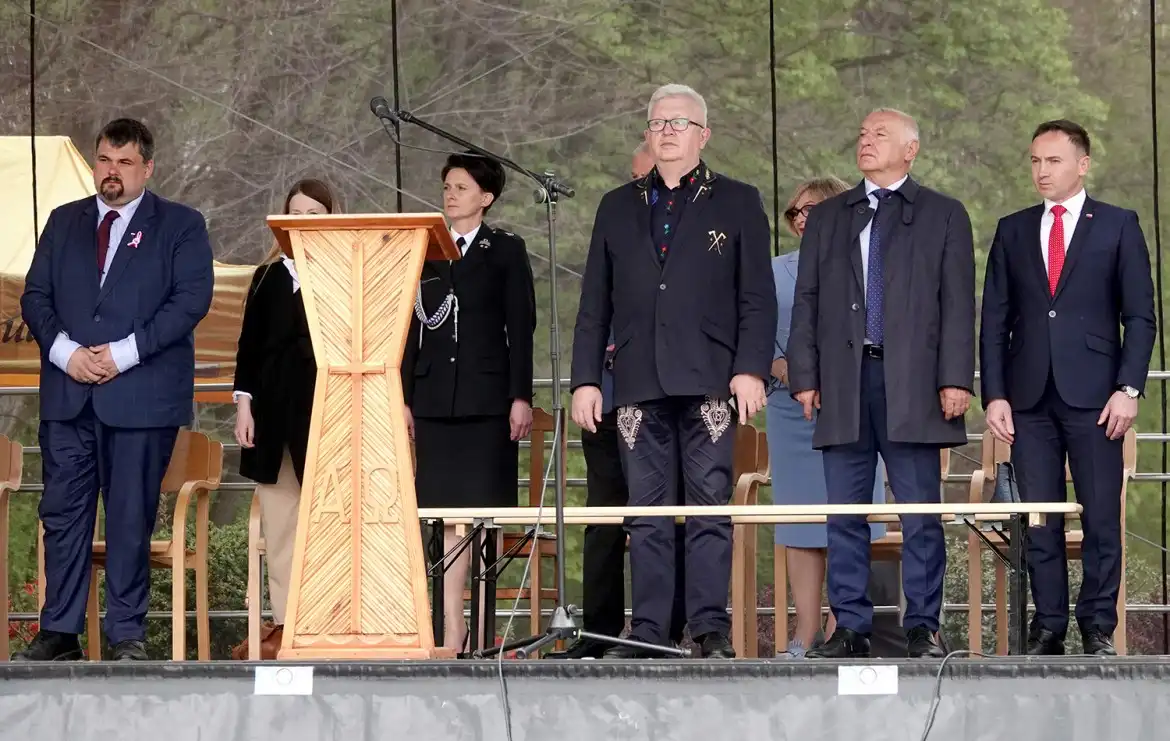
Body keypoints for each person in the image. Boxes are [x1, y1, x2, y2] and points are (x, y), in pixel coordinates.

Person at [570, 84, 775, 659]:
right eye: (658, 122)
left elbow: (756, 296)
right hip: (637, 378)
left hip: (711, 375)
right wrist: (586, 379)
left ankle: (709, 627)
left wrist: (751, 369)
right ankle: (649, 632)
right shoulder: (617, 204)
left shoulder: (737, 200)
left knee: (710, 505)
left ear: (703, 135)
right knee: (646, 511)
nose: (665, 131)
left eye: (679, 123)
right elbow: (595, 304)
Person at [15, 118, 214, 661]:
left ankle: (127, 633)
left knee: (129, 515)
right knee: (62, 513)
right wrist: (67, 354)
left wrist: (123, 353)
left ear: (146, 168)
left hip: (140, 397)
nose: (112, 172)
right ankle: (59, 630)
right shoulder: (62, 222)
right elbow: (36, 298)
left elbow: (190, 301)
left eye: (124, 163)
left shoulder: (181, 225)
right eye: (104, 160)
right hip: (68, 393)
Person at [786, 108, 975, 660]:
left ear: (911, 148)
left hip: (915, 382)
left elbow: (958, 304)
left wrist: (955, 379)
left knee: (919, 509)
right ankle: (849, 625)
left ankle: (923, 626)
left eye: (880, 134)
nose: (866, 141)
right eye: (863, 134)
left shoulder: (942, 214)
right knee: (843, 509)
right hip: (845, 380)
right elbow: (808, 303)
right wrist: (805, 376)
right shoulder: (830, 218)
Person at [979, 120, 1155, 656]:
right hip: (1027, 399)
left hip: (1099, 398)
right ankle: (1048, 625)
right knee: (1039, 519)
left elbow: (1141, 317)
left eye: (1053, 161)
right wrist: (996, 393)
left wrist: (1129, 387)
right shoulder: (1012, 229)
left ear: (1082, 164)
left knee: (1101, 516)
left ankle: (1097, 626)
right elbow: (994, 318)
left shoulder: (1119, 225)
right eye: (1035, 161)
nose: (1041, 171)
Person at [550, 143, 687, 660]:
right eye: (638, 178)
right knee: (605, 518)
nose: (644, 188)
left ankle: (667, 629)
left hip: (662, 400)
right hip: (606, 402)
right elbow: (592, 312)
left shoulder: (684, 243)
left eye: (650, 177)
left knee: (666, 516)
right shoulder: (618, 226)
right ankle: (599, 632)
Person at [402, 152, 536, 654]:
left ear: (486, 198)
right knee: (440, 518)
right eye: (447, 186)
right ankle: (449, 626)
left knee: (481, 518)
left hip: (486, 405)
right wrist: (406, 399)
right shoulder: (425, 248)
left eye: (461, 187)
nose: (450, 194)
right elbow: (410, 329)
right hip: (436, 403)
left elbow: (521, 328)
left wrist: (520, 396)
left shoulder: (505, 249)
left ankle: (481, 627)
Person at [769, 176, 904, 658]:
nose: (803, 220)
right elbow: (756, 338)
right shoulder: (773, 271)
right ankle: (805, 633)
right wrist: (790, 372)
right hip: (791, 411)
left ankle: (841, 628)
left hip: (854, 408)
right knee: (801, 526)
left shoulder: (870, 265)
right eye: (795, 213)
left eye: (813, 210)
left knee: (845, 520)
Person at [229, 178, 337, 660]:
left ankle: (331, 615)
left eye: (316, 214)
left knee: (331, 517)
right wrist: (244, 405)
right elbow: (248, 348)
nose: (305, 223)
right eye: (297, 214)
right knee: (281, 518)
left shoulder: (343, 271)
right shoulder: (266, 276)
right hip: (271, 414)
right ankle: (288, 622)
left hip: (328, 412)